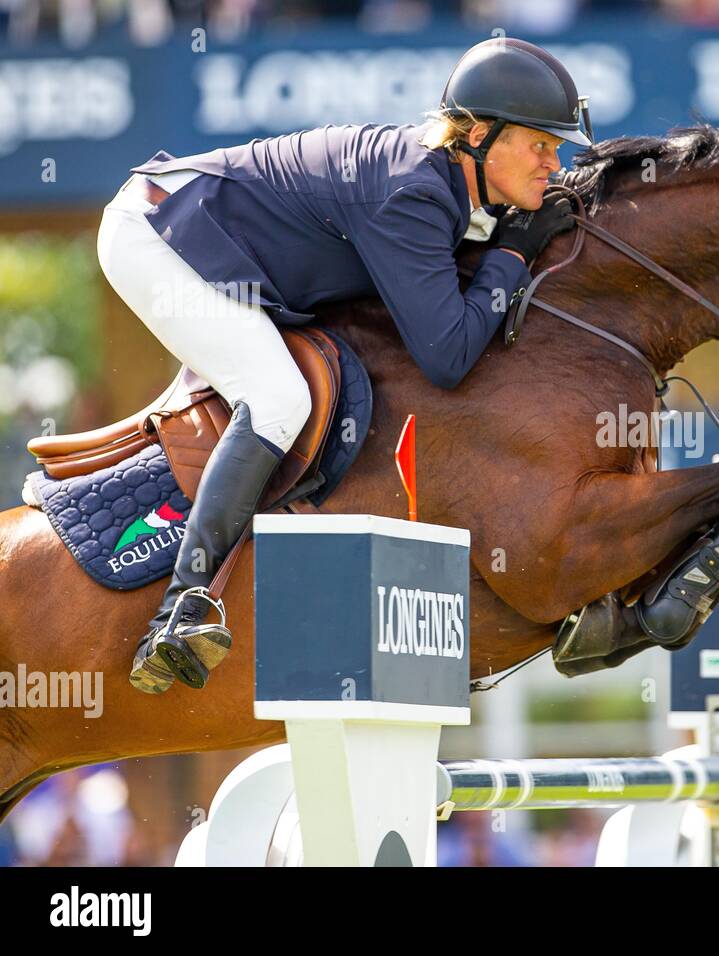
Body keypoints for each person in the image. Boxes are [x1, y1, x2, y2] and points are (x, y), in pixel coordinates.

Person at [96, 37, 589, 695]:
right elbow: (446, 357)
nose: (553, 164)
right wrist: (513, 257)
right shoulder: (412, 191)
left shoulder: (446, 182)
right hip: (155, 235)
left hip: (214, 240)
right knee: (279, 398)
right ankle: (183, 606)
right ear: (477, 135)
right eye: (540, 145)